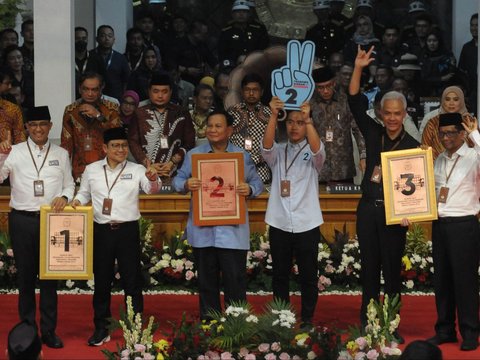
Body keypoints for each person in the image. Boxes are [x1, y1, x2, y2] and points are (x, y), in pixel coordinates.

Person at [348, 46, 419, 342]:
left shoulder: (412, 144)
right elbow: (353, 100)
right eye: (387, 113)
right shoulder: (373, 132)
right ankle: (368, 321)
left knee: (391, 273)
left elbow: (417, 187)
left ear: (404, 114)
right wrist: (359, 68)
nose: (391, 118)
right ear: (380, 113)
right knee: (369, 270)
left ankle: (391, 324)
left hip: (394, 215)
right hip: (368, 209)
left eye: (396, 114)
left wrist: (411, 214)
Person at [72, 127, 161, 346]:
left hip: (127, 231)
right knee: (102, 282)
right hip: (101, 230)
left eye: (124, 145)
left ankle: (135, 327)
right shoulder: (92, 170)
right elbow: (84, 193)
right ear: (105, 148)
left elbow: (152, 190)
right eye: (115, 146)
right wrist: (76, 202)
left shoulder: (138, 169)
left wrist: (153, 178)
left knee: (132, 281)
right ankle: (101, 328)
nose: (120, 149)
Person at [172, 110, 263, 319]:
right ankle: (209, 324)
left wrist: (248, 189)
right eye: (209, 126)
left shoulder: (241, 156)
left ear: (229, 130)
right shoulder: (195, 155)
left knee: (235, 281)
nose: (212, 130)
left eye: (218, 126)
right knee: (206, 283)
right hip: (203, 231)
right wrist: (186, 184)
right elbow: (177, 181)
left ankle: (236, 325)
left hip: (232, 232)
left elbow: (257, 183)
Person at [0, 106, 75, 349]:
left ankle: (49, 331)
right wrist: (2, 154)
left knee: (49, 278)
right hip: (21, 220)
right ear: (26, 128)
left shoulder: (62, 154)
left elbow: (70, 184)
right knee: (25, 277)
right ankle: (28, 328)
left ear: (50, 126)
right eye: (33, 125)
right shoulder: (14, 152)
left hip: (51, 220)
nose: (38, 129)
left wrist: (64, 196)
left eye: (43, 124)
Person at [262, 98, 325, 328]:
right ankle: (282, 317)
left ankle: (307, 318)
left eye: (299, 123)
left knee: (308, 276)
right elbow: (266, 147)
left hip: (307, 222)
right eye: (290, 122)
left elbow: (319, 149)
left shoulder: (313, 152)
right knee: (280, 274)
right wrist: (272, 115)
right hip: (279, 220)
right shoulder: (278, 151)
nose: (294, 127)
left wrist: (308, 120)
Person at [425, 113, 480, 352]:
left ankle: (470, 332)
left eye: (450, 133)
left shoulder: (473, 156)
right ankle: (445, 330)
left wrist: (475, 134)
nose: (445, 138)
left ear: (461, 134)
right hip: (441, 225)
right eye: (442, 133)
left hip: (464, 225)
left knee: (465, 282)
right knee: (443, 281)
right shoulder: (439, 160)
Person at [128, 73, 195, 182]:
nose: (160, 96)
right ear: (149, 92)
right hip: (146, 172)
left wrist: (172, 162)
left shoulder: (181, 112)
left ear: (171, 92)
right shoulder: (140, 113)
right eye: (156, 91)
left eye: (164, 92)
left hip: (176, 171)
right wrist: (147, 163)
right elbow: (133, 141)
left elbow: (190, 142)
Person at [61, 72, 122, 182]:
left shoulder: (112, 109)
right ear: (79, 89)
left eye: (94, 90)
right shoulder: (70, 111)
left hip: (107, 168)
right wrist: (63, 173)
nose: (90, 93)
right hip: (79, 170)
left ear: (100, 90)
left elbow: (117, 138)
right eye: (86, 89)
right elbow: (66, 145)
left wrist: (98, 116)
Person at [310, 67, 366, 183]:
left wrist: (363, 155)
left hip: (343, 167)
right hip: (317, 168)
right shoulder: (310, 105)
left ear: (334, 83)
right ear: (315, 87)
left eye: (328, 86)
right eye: (321, 87)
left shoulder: (345, 101)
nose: (325, 91)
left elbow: (358, 129)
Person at [229, 73, 271, 183]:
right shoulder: (232, 112)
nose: (251, 93)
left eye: (255, 90)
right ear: (242, 92)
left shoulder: (270, 114)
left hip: (261, 170)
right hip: (235, 168)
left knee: (260, 198)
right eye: (247, 90)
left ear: (261, 92)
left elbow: (273, 143)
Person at [421, 86, 475, 160]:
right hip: (437, 167)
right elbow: (425, 148)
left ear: (462, 101)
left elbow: (477, 147)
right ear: (442, 101)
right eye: (447, 99)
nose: (451, 103)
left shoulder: (470, 122)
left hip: (467, 167)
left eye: (456, 99)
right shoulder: (433, 123)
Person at [218, 0, 269, 68]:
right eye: (238, 11)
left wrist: (249, 58)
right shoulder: (226, 31)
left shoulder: (258, 29)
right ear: (233, 14)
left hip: (256, 65)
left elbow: (264, 49)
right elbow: (222, 54)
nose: (241, 14)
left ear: (249, 14)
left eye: (244, 11)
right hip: (233, 67)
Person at [93, 25, 130, 101]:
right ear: (97, 39)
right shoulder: (91, 55)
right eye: (103, 36)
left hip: (115, 98)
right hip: (93, 96)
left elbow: (126, 80)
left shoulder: (121, 58)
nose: (107, 39)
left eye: (110, 36)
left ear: (114, 39)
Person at [305, 0, 344, 65]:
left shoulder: (337, 27)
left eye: (324, 10)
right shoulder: (312, 30)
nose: (321, 13)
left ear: (328, 10)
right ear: (315, 12)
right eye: (319, 10)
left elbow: (342, 45)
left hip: (334, 63)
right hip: (316, 63)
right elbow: (308, 48)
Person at [74, 27, 105, 100]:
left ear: (87, 39)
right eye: (77, 38)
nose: (81, 41)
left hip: (92, 98)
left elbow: (103, 79)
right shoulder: (67, 59)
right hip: (71, 96)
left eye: (84, 38)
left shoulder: (96, 58)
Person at [2, 45, 34, 111]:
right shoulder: (3, 79)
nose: (17, 61)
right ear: (7, 62)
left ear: (23, 59)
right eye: (12, 58)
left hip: (32, 112)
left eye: (19, 57)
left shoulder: (32, 76)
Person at [458, 14, 478, 115]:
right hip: (472, 93)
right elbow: (461, 71)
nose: (474, 28)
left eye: (477, 25)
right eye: (472, 25)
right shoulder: (467, 48)